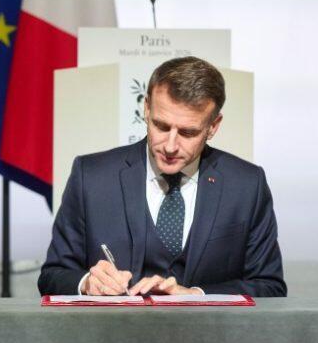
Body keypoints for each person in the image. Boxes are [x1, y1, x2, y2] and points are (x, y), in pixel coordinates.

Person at [39, 56, 286, 297]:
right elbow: (53, 276)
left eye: (188, 133)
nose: (170, 146)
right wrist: (87, 283)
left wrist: (196, 295)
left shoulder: (246, 185)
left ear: (213, 126)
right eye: (161, 126)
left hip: (208, 326)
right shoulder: (92, 177)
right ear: (146, 109)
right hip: (113, 326)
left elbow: (270, 286)